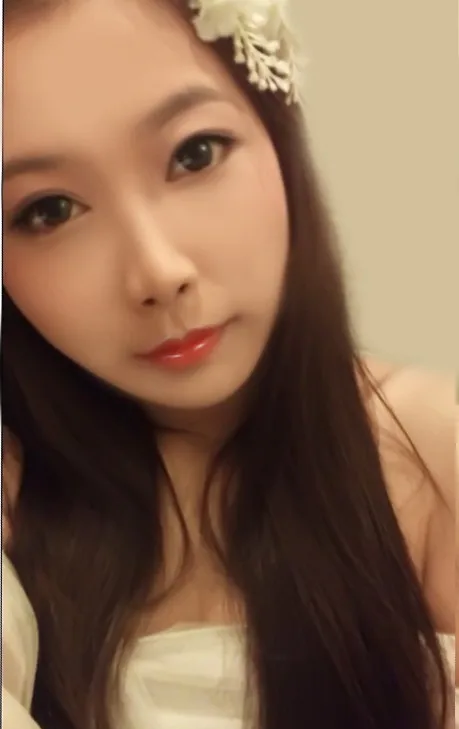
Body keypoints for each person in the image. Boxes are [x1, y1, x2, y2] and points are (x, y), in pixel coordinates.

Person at [1, 0, 456, 727]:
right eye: (49, 210)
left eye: (195, 154)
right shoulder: (18, 492)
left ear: (276, 131)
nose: (157, 272)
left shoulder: (429, 453)